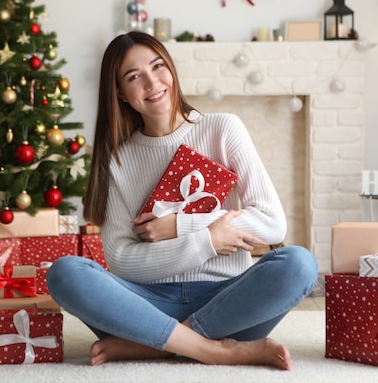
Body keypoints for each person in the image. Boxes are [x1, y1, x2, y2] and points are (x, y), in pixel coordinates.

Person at [47, 31, 318, 370]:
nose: (151, 82)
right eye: (134, 77)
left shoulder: (223, 129)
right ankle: (213, 350)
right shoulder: (117, 160)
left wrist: (182, 225)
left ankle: (158, 345)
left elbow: (272, 224)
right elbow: (121, 261)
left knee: (299, 264)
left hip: (228, 302)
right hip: (147, 305)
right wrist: (207, 242)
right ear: (120, 93)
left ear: (171, 70)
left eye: (158, 66)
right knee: (65, 272)